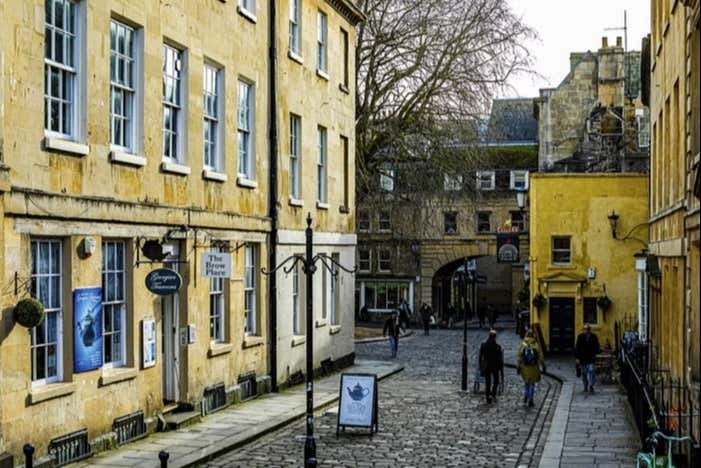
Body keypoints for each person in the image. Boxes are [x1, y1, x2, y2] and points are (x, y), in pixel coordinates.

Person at [517, 329, 545, 408]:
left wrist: (518, 366)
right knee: (532, 383)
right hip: (533, 367)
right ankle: (531, 399)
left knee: (526, 383)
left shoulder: (523, 344)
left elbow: (519, 357)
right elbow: (541, 357)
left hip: (524, 367)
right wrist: (543, 366)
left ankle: (526, 396)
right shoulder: (535, 344)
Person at [478, 330, 504, 404]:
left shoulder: (484, 345)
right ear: (495, 337)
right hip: (495, 366)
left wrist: (481, 366)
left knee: (488, 381)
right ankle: (493, 394)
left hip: (487, 366)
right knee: (496, 380)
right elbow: (500, 359)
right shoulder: (497, 346)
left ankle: (487, 396)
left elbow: (480, 357)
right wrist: (501, 369)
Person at [575, 323, 601, 393]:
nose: (587, 331)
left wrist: (597, 352)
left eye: (588, 329)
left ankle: (591, 385)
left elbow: (597, 346)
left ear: (590, 330)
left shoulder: (594, 336)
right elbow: (577, 347)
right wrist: (577, 358)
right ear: (583, 330)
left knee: (591, 371)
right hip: (583, 358)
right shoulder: (580, 337)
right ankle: (585, 386)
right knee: (584, 373)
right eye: (585, 329)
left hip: (591, 357)